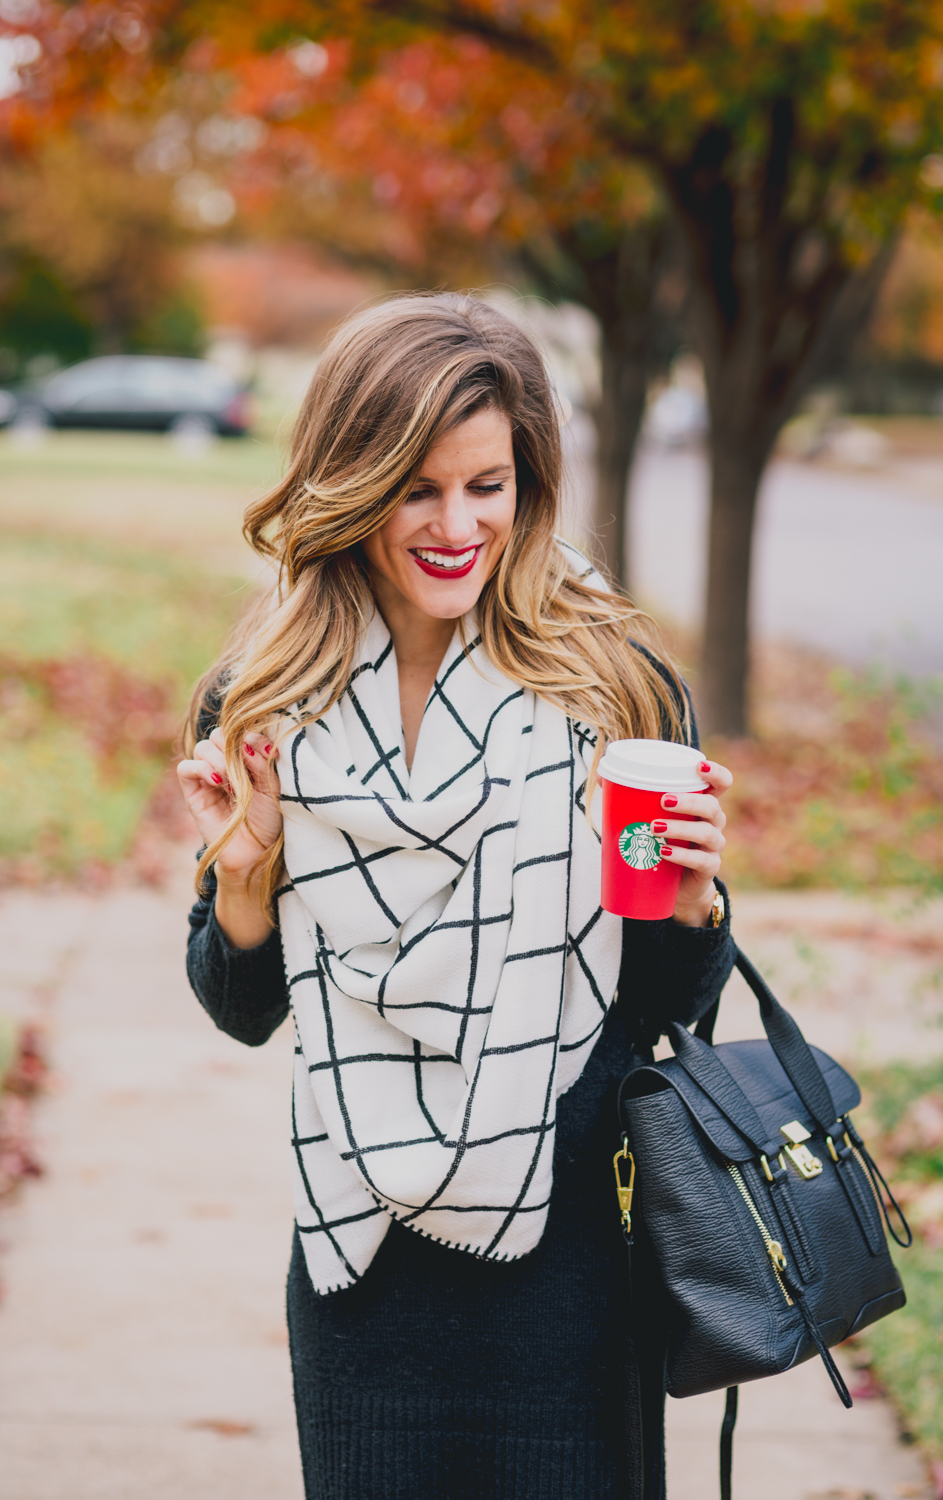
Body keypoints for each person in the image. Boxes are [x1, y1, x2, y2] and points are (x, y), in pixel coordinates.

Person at [177, 292, 736, 1500]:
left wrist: (689, 896)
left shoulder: (613, 685)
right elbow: (239, 1004)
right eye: (415, 488)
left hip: (571, 1244)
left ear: (529, 484)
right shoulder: (270, 695)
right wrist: (244, 865)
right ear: (351, 479)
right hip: (361, 1259)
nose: (453, 525)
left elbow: (666, 1014)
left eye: (487, 486)